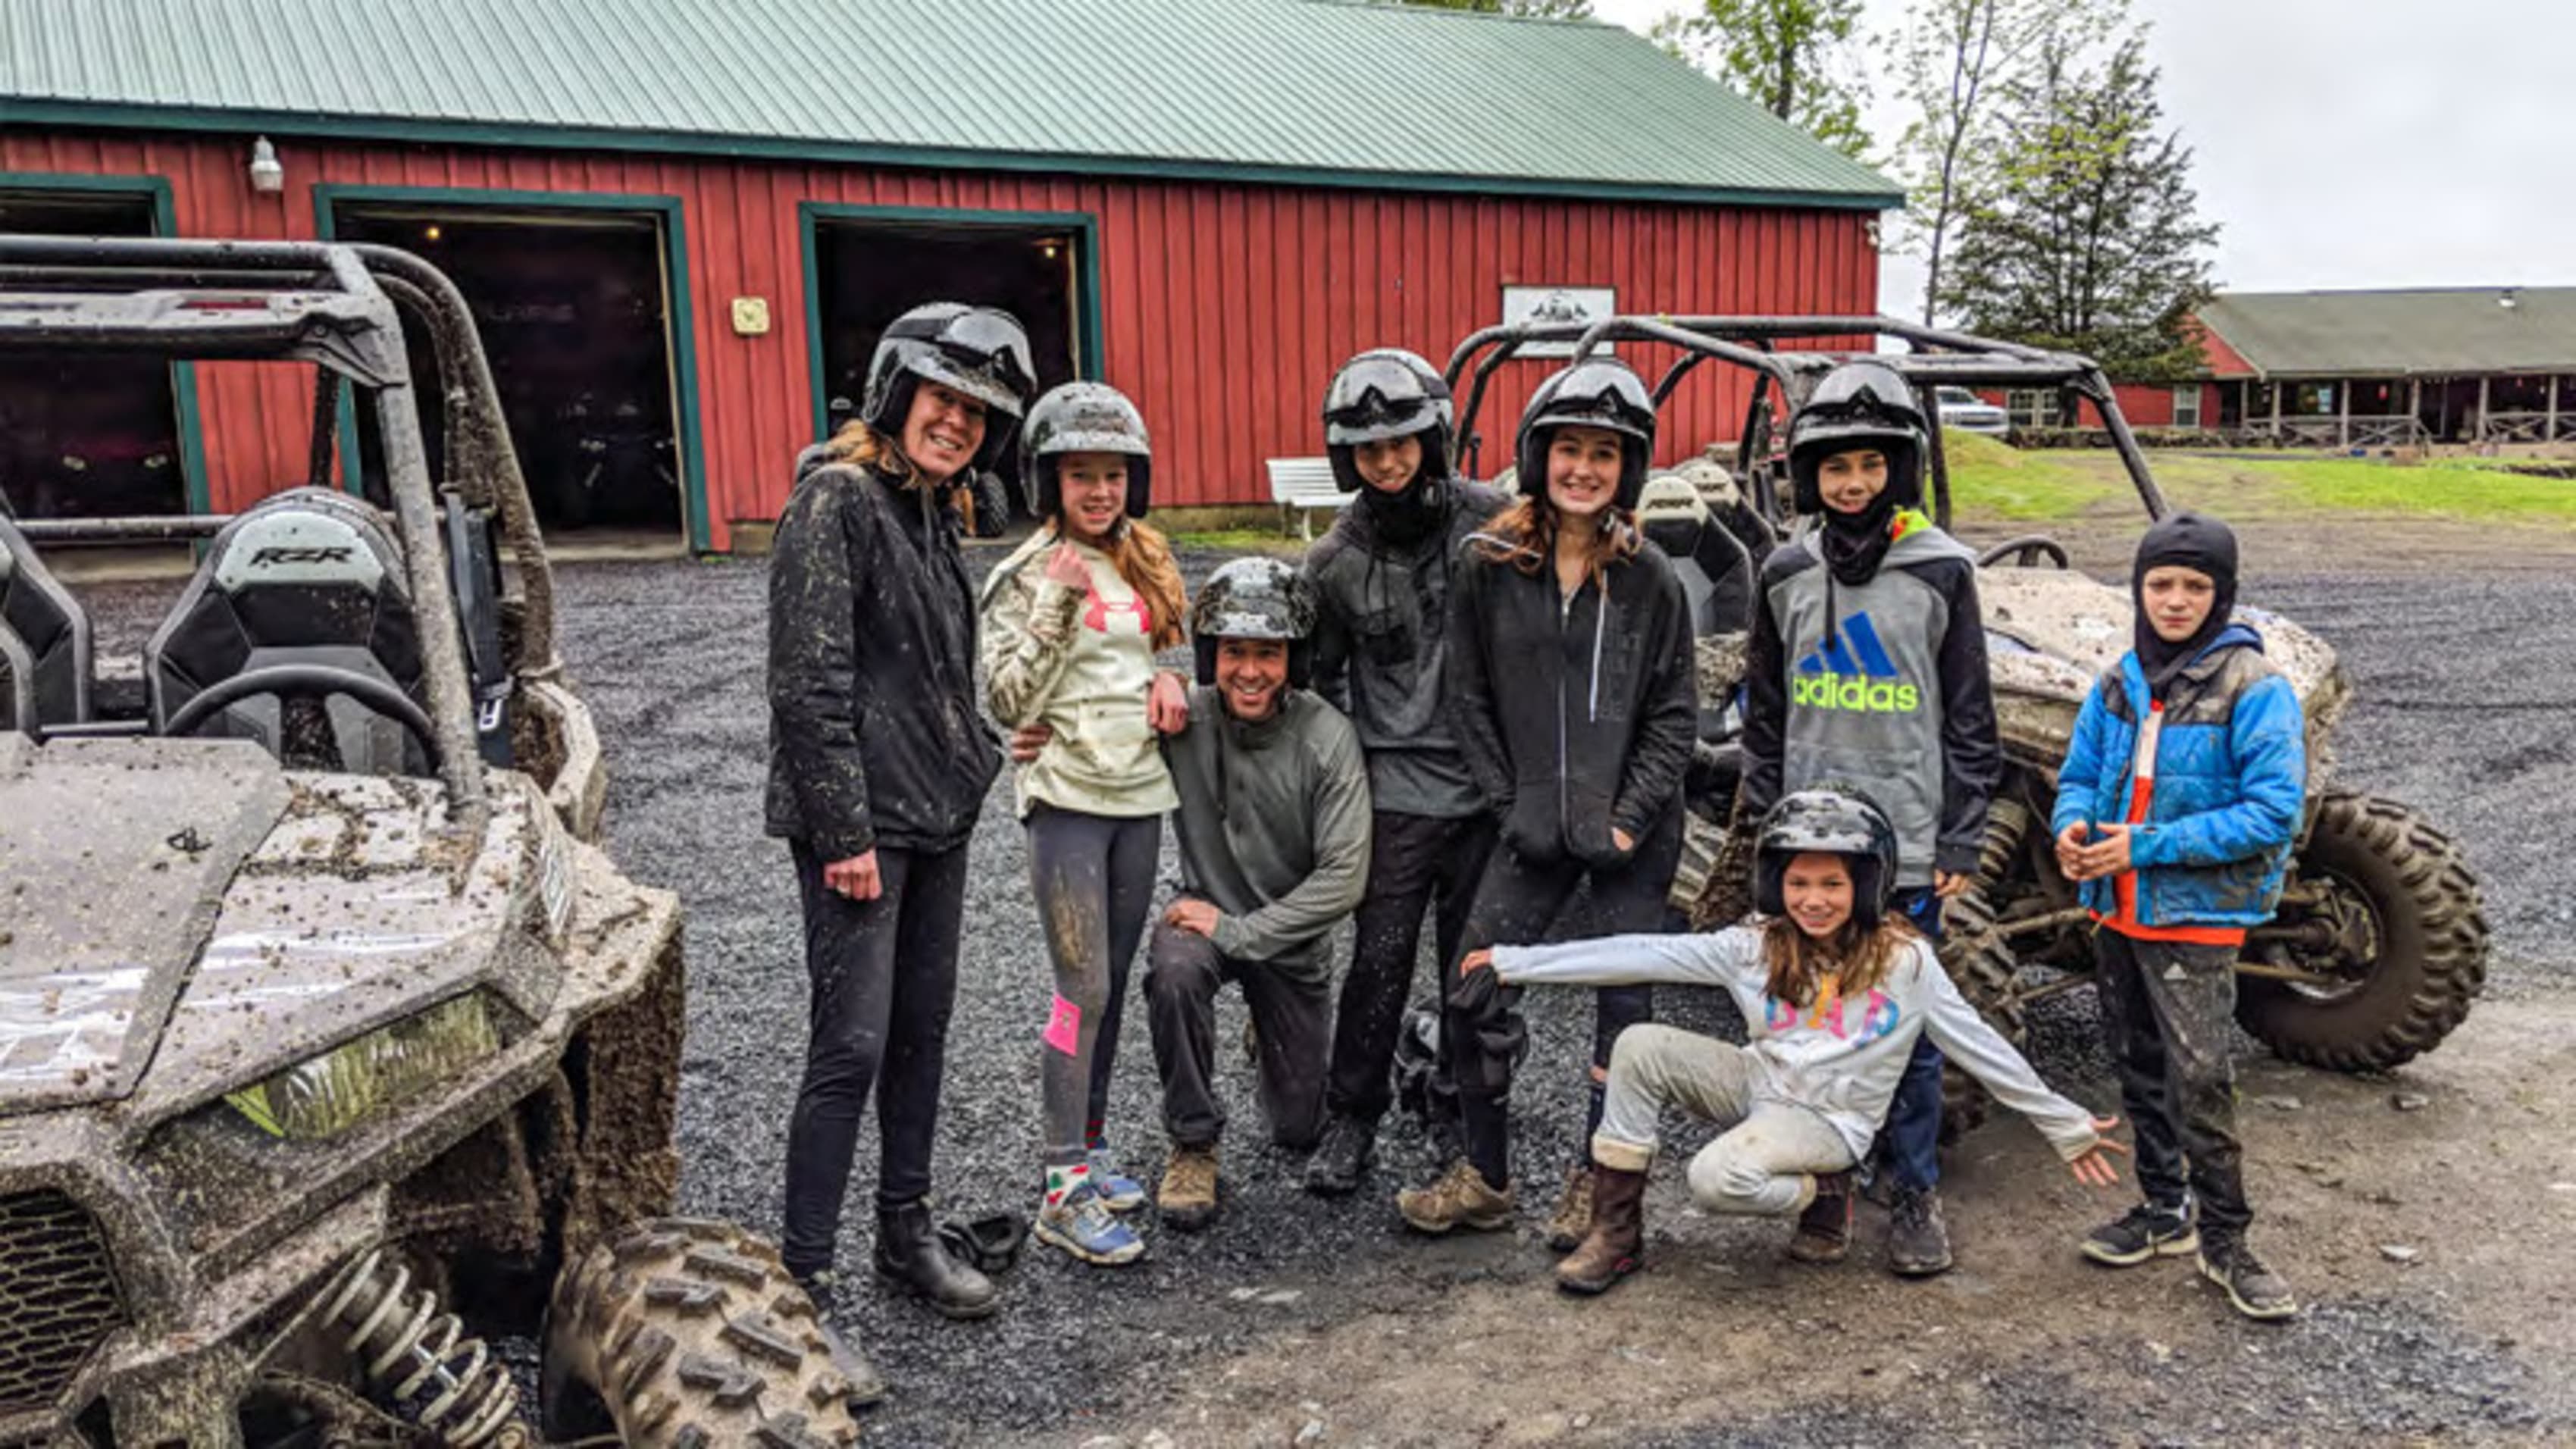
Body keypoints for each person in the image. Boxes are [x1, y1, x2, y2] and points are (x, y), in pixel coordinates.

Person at [1465, 787, 2127, 1296]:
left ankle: (1824, 1193)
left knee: (1713, 1179)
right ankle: (1616, 1232)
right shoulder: (1753, 945)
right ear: (1775, 884)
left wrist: (2062, 1121)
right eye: (1800, 882)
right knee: (1637, 1044)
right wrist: (1515, 962)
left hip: (1829, 1122)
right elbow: (1643, 952)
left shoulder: (1905, 964)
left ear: (1865, 885)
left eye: (1833, 883)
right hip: (1760, 1084)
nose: (1814, 900)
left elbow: (1981, 1045)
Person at [766, 302, 1034, 1325]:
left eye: (976, 412)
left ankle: (904, 1231)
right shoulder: (836, 499)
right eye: (942, 399)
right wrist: (842, 837)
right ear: (896, 391)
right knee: (849, 1047)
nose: (958, 422)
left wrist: (975, 751)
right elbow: (806, 685)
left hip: (933, 817)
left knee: (921, 1033)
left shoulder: (926, 510)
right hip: (862, 833)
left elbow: (927, 673)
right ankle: (803, 1290)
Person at [1395, 355, 1697, 1244]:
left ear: (1628, 468)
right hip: (1531, 827)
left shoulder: (1652, 579)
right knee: (1473, 986)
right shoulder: (1488, 565)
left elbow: (1674, 717)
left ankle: (1598, 1190)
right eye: (1569, 449)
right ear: (1539, 456)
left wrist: (1628, 816)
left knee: (1624, 1014)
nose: (1585, 469)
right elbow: (1469, 699)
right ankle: (1486, 1176)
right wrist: (1508, 804)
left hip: (1631, 835)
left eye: (1606, 453)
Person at [1738, 358, 2000, 1276]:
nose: (1854, 483)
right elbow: (1763, 713)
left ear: (1901, 466)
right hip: (1811, 844)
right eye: (1836, 466)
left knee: (1906, 1033)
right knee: (1810, 1024)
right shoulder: (1783, 572)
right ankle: (1829, 1184)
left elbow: (1972, 717)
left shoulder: (1941, 570)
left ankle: (1915, 1187)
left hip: (1908, 841)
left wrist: (1960, 834)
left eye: (1871, 465)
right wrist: (1764, 822)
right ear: (1810, 476)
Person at [2053, 512, 2305, 1322]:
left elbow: (2272, 813)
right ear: (2139, 588)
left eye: (2195, 586)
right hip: (2117, 912)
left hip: (2194, 920)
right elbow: (2082, 774)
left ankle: (2229, 1243)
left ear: (2222, 594)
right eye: (2160, 583)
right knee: (2137, 1066)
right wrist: (2073, 829)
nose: (2175, 600)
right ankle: (2164, 1210)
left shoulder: (2254, 689)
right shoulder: (2120, 682)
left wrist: (2143, 847)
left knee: (2201, 1080)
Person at [979, 380, 1191, 1267]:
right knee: (1080, 991)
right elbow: (1004, 698)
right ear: (1049, 482)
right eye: (1080, 477)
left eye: (1112, 476)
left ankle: (1093, 1149)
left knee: (1111, 977)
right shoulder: (1025, 572)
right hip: (1067, 799)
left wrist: (1169, 678)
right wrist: (1055, 606)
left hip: (1138, 795)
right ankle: (1060, 1185)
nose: (1098, 492)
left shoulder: (1142, 556)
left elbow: (1151, 653)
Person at [1299, 347, 1509, 1195]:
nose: (1388, 461)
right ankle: (1353, 1114)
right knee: (1377, 962)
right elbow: (1314, 690)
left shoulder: (1496, 525)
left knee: (1476, 965)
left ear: (1436, 436)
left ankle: (1464, 1109)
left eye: (1403, 441)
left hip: (1489, 793)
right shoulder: (1333, 563)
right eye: (1369, 449)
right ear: (1346, 457)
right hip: (1393, 799)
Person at [1141, 558, 1373, 1229]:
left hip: (1288, 943)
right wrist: (1148, 679)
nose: (1249, 670)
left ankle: (1273, 1027)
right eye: (1234, 651)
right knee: (1175, 970)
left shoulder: (1326, 738)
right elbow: (1088, 723)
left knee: (1298, 1130)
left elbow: (1344, 879)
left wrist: (1242, 933)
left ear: (1293, 658)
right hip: (1201, 919)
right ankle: (1192, 1142)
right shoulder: (1183, 714)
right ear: (1212, 652)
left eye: (1267, 653)